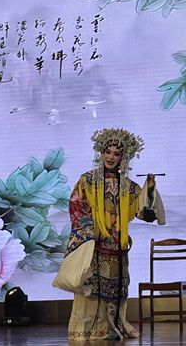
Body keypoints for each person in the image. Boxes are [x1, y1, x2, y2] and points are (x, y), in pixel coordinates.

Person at [65, 128, 165, 341]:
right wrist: (90, 231)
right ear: (101, 153)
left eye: (116, 154)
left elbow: (142, 211)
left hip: (117, 246)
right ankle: (86, 329)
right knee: (90, 290)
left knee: (116, 289)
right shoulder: (87, 180)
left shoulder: (127, 186)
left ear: (123, 158)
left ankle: (113, 326)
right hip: (94, 243)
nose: (111, 157)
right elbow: (76, 205)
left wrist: (149, 191)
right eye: (107, 152)